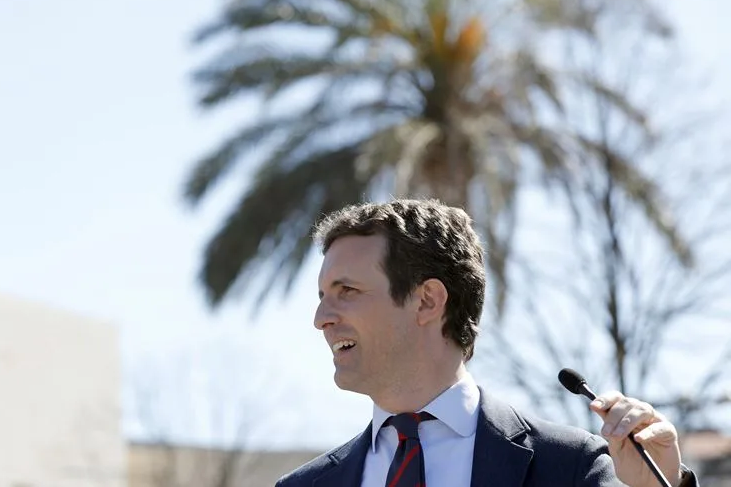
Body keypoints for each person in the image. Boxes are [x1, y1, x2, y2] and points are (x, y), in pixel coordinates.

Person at [276, 199, 699, 487]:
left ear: (427, 300)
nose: (321, 319)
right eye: (322, 296)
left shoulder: (571, 467)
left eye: (346, 290)